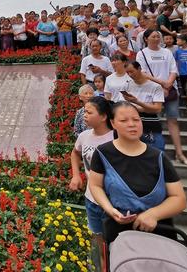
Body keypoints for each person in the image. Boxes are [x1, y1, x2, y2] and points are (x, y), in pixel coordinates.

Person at [89, 102, 187, 243]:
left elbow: (179, 199)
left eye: (136, 120)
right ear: (113, 123)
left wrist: (153, 214)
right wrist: (110, 210)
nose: (132, 124)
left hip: (159, 235)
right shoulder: (103, 153)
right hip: (119, 234)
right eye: (124, 120)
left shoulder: (158, 157)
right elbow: (95, 185)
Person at [69, 97, 114, 267]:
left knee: (113, 239)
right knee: (97, 236)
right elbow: (75, 154)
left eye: (89, 112)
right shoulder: (84, 136)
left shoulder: (116, 137)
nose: (84, 116)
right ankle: (102, 265)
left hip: (112, 200)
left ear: (103, 116)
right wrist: (76, 175)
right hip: (91, 199)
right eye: (84, 112)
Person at [137, 29, 187, 165]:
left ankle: (179, 153)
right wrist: (162, 85)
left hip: (170, 91)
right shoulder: (142, 54)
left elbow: (173, 70)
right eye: (153, 36)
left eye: (158, 36)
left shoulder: (167, 52)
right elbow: (143, 73)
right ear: (146, 39)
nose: (157, 38)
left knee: (173, 121)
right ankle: (152, 154)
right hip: (151, 92)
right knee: (152, 122)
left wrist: (168, 85)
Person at [122, 61, 165, 150]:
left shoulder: (155, 87)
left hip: (151, 124)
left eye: (132, 71)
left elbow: (157, 109)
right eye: (127, 72)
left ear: (139, 69)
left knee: (156, 152)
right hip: (132, 125)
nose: (130, 74)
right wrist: (144, 108)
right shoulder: (127, 85)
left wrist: (137, 102)